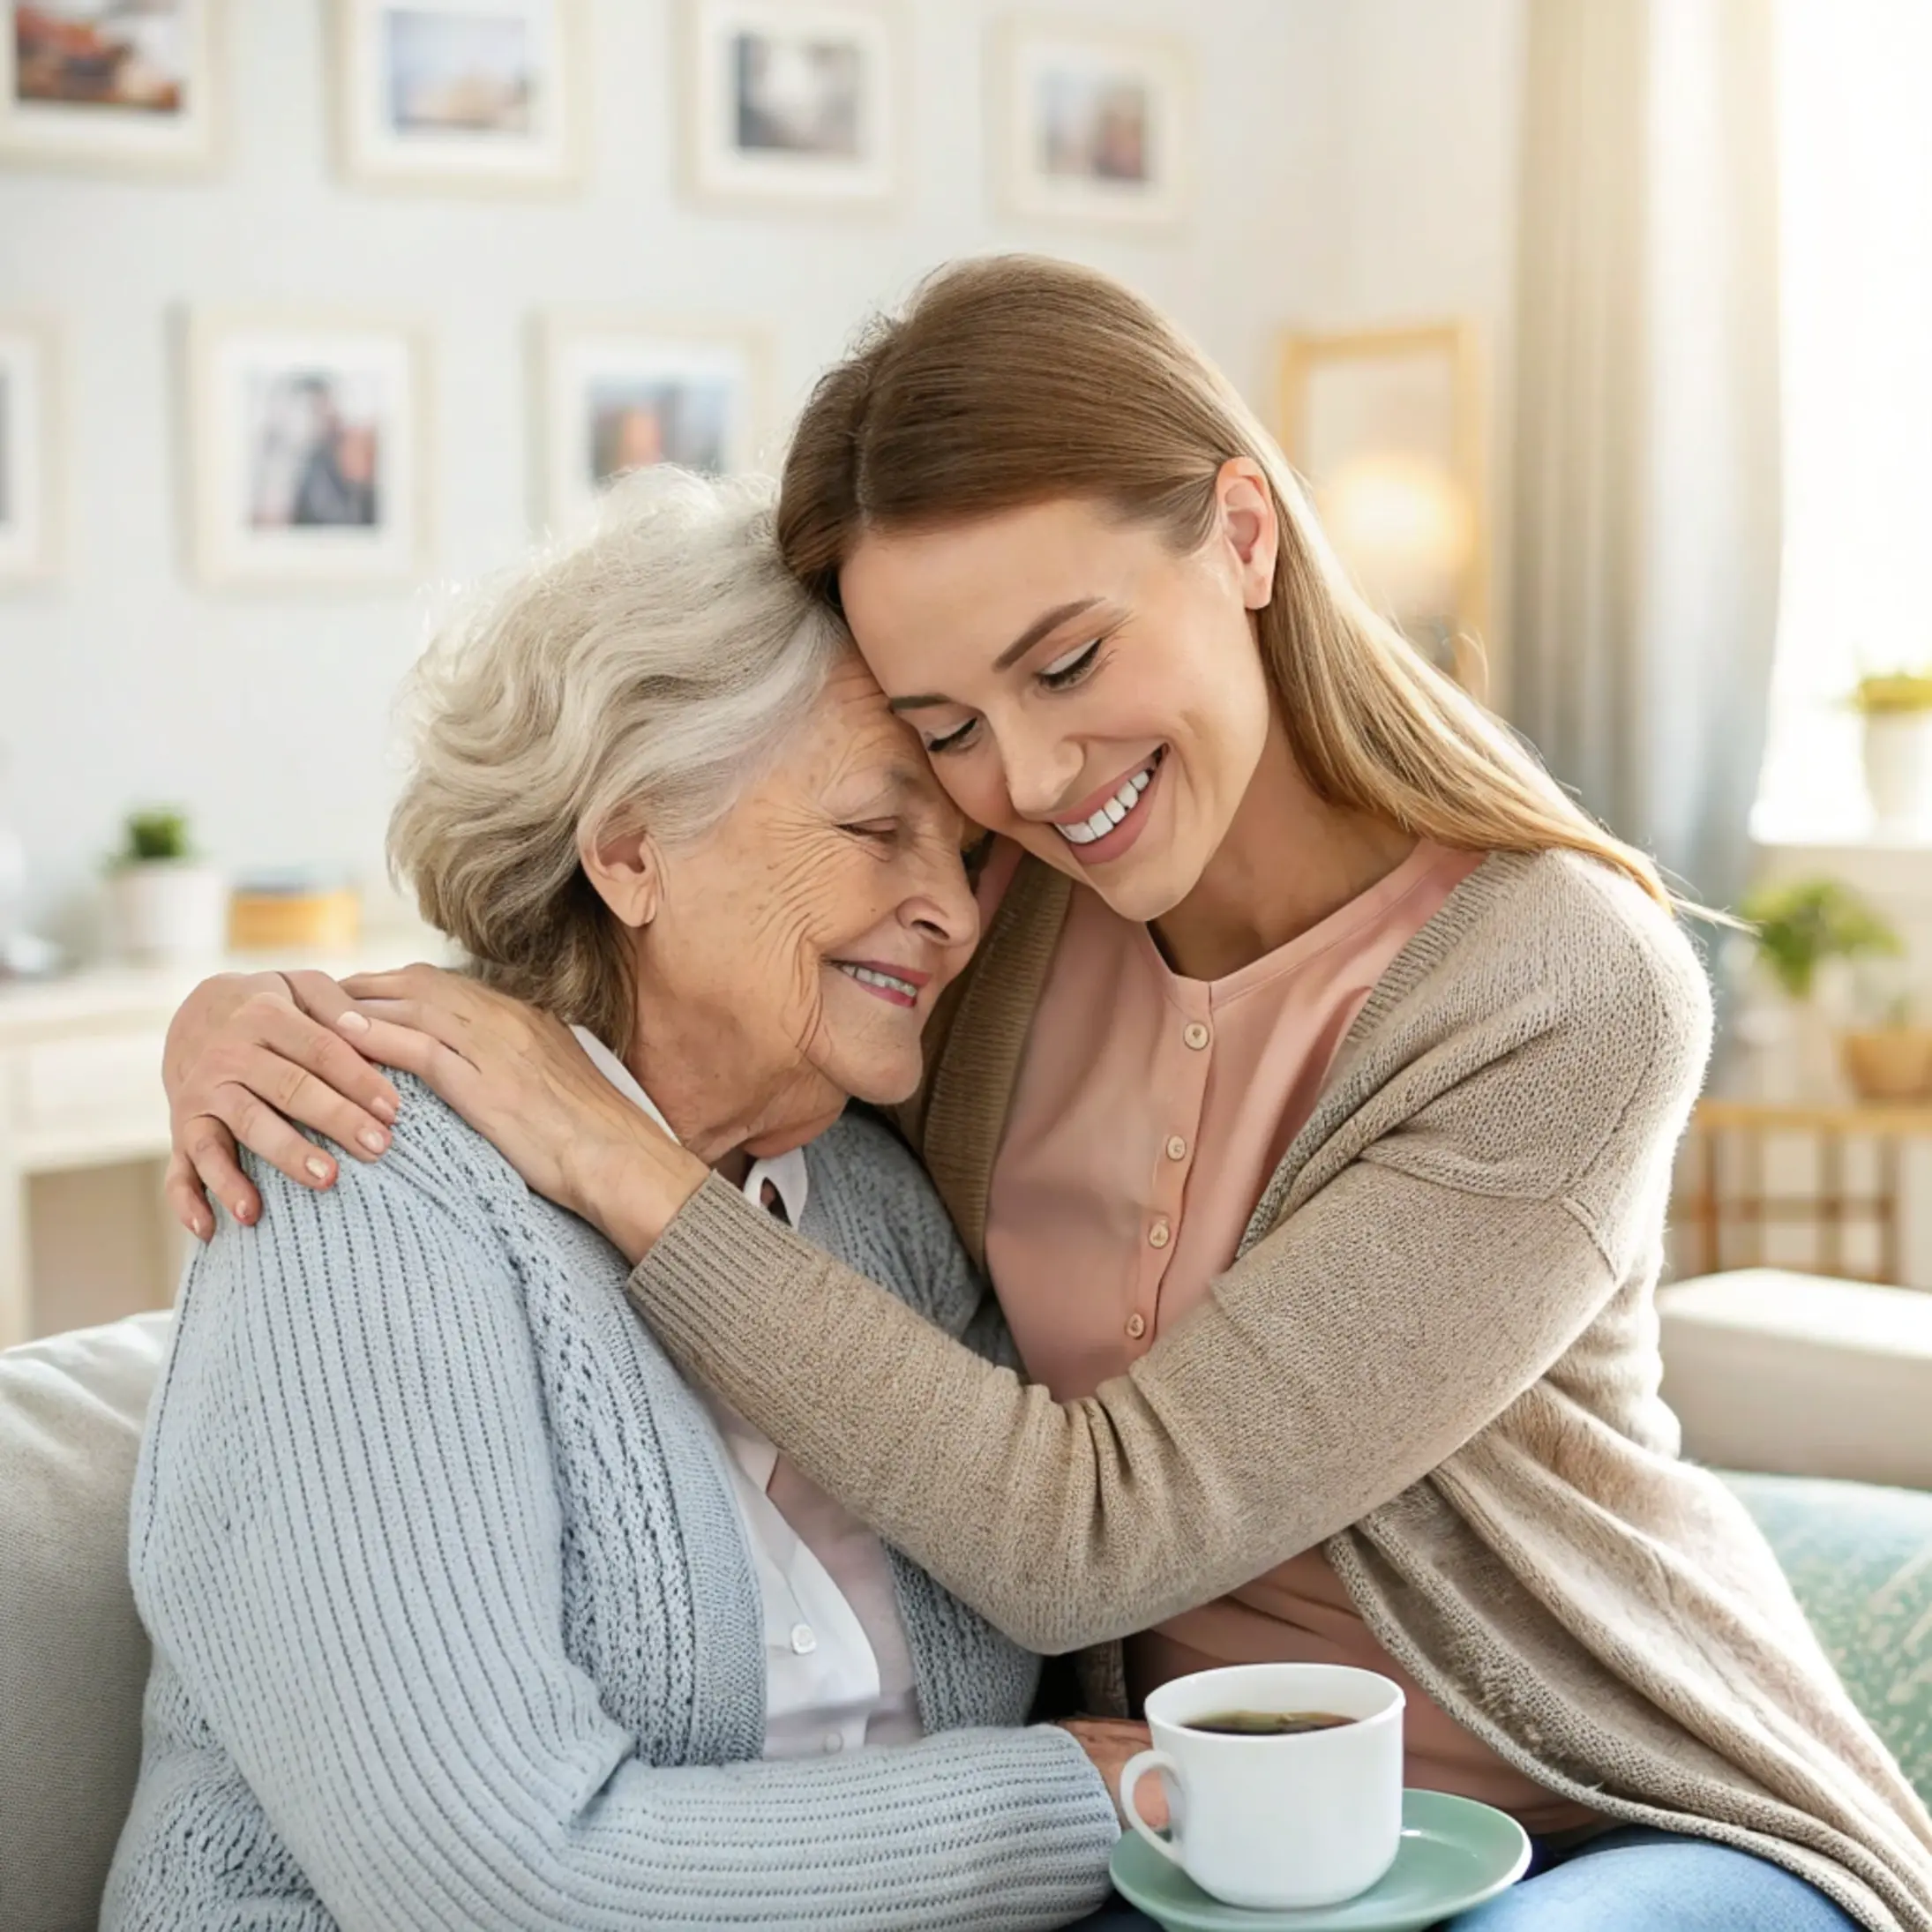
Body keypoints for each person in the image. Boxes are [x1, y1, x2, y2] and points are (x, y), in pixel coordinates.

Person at [161, 259, 1932, 1932]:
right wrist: (255, 1021)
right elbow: (662, 914)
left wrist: (624, 1167)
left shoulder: (1556, 986)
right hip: (1200, 1839)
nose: (1019, 782)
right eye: (940, 733)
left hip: (1584, 1809)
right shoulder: (1016, 906)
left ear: (1245, 534)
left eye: (1068, 664)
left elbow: (1093, 1533)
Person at [104, 469, 1122, 1931]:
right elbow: (493, 1877)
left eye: (964, 856)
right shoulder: (363, 1177)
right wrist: (1070, 1804)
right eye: (873, 829)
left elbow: (1066, 1531)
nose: (956, 914)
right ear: (632, 849)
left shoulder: (878, 1212)